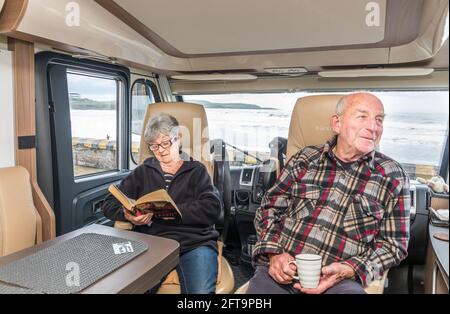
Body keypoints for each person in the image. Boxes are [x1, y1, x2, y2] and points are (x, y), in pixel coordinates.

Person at [247, 92, 410, 294]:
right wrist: (273, 253)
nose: (374, 127)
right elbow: (269, 208)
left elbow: (394, 246)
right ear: (337, 123)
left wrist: (350, 269)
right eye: (362, 116)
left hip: (340, 282)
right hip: (282, 271)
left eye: (379, 120)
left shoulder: (392, 176)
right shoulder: (305, 159)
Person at [102, 113, 221, 294]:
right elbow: (109, 203)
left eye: (166, 143)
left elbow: (212, 208)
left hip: (194, 243)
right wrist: (127, 215)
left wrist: (172, 211)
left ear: (178, 138)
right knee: (130, 289)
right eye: (154, 146)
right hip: (152, 242)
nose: (161, 150)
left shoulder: (197, 170)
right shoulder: (143, 171)